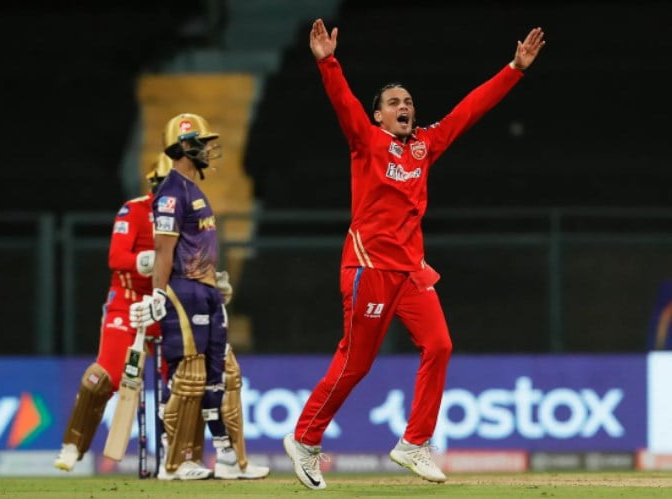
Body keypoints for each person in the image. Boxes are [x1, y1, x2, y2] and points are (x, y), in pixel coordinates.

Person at [283, 19, 546, 490]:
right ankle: (304, 439)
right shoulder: (367, 141)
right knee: (355, 363)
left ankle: (414, 443)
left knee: (440, 345)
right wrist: (328, 62)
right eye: (393, 103)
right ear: (378, 116)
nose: (403, 106)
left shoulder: (424, 145)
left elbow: (468, 110)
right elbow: (343, 103)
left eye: (407, 101)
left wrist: (515, 69)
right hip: (369, 267)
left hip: (410, 271)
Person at [129, 113, 269, 480]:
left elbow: (196, 246)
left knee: (222, 376)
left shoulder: (194, 189)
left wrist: (214, 280)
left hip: (204, 290)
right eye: (202, 143)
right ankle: (173, 462)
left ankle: (226, 457)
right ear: (184, 146)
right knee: (188, 376)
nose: (208, 149)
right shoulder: (171, 193)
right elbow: (164, 250)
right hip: (183, 291)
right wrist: (158, 295)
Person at [54, 154, 169, 472]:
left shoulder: (189, 216)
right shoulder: (134, 210)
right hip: (128, 304)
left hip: (165, 305)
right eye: (162, 185)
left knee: (184, 381)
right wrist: (146, 261)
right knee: (106, 377)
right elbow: (116, 258)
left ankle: (177, 457)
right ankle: (73, 445)